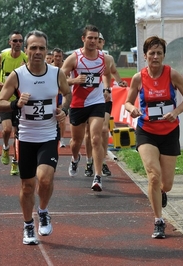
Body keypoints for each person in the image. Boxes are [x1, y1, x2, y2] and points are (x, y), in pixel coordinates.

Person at [0, 30, 71, 245]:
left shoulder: (56, 73)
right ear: (26, 50)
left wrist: (64, 109)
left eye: (41, 48)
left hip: (48, 135)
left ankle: (43, 210)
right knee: (28, 186)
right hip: (26, 136)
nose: (37, 52)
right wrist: (15, 104)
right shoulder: (18, 76)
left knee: (45, 179)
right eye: (33, 48)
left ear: (46, 50)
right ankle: (28, 225)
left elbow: (67, 94)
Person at [125, 36, 183, 239]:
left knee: (167, 184)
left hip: (170, 131)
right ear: (145, 56)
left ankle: (161, 193)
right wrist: (133, 109)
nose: (155, 57)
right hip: (146, 130)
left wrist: (176, 112)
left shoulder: (172, 74)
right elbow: (128, 102)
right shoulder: (139, 78)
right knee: (153, 175)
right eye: (151, 53)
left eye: (159, 53)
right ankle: (158, 220)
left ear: (164, 55)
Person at [61, 25, 111, 192]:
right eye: (90, 38)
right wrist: (75, 81)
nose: (93, 41)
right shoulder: (74, 58)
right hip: (78, 104)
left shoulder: (105, 58)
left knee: (96, 138)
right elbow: (60, 78)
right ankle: (75, 158)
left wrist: (106, 89)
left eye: (96, 38)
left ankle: (97, 177)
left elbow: (107, 73)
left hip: (96, 103)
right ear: (83, 39)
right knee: (76, 142)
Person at [84, 32, 128, 177]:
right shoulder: (83, 57)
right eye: (95, 40)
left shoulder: (107, 58)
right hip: (88, 99)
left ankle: (102, 162)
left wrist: (119, 81)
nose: (97, 43)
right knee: (88, 133)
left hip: (105, 99)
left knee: (103, 130)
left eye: (100, 40)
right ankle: (89, 161)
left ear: (102, 42)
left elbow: (113, 71)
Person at [0, 31, 27, 176]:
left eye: (20, 41)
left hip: (18, 101)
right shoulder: (3, 57)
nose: (18, 43)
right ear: (9, 42)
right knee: (6, 130)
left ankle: (15, 162)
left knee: (18, 134)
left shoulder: (25, 58)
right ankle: (5, 148)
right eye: (15, 41)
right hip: (4, 99)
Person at [51, 48, 66, 148]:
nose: (58, 58)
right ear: (52, 57)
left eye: (59, 56)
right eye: (56, 56)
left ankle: (61, 138)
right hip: (51, 95)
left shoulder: (66, 66)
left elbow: (70, 80)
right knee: (51, 117)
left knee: (61, 118)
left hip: (61, 95)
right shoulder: (48, 67)